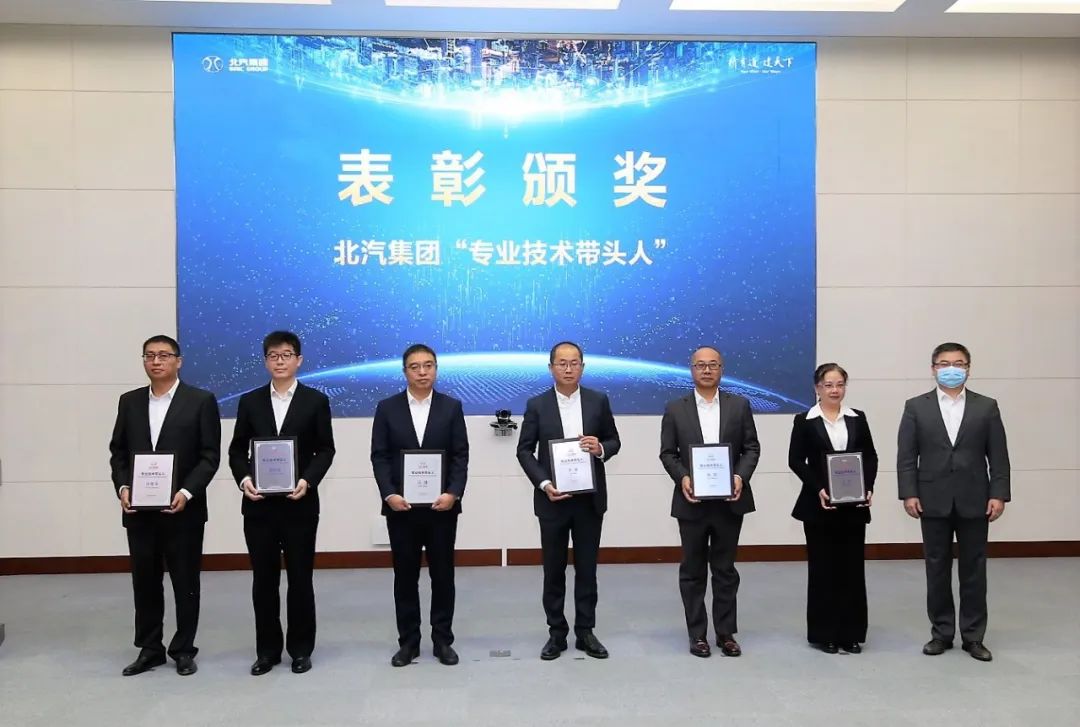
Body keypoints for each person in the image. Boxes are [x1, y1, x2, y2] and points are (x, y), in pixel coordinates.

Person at [108, 334, 220, 676]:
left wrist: (186, 492)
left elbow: (209, 456)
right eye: (149, 356)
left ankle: (183, 649)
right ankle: (150, 648)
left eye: (164, 355)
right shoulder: (129, 402)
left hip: (183, 510)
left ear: (178, 361)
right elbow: (118, 452)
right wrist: (123, 487)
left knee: (186, 583)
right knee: (145, 582)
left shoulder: (201, 401)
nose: (156, 361)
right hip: (139, 512)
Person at [228, 331, 336, 676]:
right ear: (265, 361)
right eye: (273, 355)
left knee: (300, 579)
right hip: (258, 506)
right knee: (264, 580)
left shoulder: (315, 401)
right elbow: (236, 451)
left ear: (298, 360)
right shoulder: (250, 401)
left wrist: (308, 480)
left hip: (299, 504)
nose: (280, 361)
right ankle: (267, 651)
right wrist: (244, 479)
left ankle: (301, 649)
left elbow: (326, 449)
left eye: (286, 355)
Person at [898, 342, 1010, 662]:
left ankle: (973, 636)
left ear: (968, 369)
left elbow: (998, 456)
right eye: (944, 363)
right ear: (933, 368)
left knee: (974, 569)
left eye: (958, 364)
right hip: (931, 499)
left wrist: (998, 493)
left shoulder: (986, 406)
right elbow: (907, 456)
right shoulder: (915, 407)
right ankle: (941, 633)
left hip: (976, 499)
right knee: (936, 568)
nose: (951, 369)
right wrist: (909, 492)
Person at [516, 341, 621, 661]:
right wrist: (544, 483)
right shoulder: (537, 405)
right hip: (553, 500)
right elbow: (524, 451)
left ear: (583, 367)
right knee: (554, 570)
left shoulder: (598, 400)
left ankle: (586, 631)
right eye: (562, 363)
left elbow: (614, 440)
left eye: (574, 363)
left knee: (587, 569)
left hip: (589, 501)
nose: (568, 368)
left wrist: (600, 448)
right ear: (551, 368)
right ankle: (556, 633)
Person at [370, 344, 469, 667]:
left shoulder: (451, 407)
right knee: (405, 577)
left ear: (436, 369)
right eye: (415, 367)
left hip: (442, 508)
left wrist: (453, 493)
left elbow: (460, 456)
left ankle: (443, 641)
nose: (422, 372)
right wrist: (389, 494)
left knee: (443, 576)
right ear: (405, 372)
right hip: (402, 509)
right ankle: (408, 643)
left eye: (428, 365)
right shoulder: (387, 408)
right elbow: (379, 456)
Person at [659, 346, 760, 658]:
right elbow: (668, 453)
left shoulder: (739, 405)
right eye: (700, 365)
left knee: (725, 569)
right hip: (692, 502)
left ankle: (726, 633)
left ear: (721, 369)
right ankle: (697, 634)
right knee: (692, 570)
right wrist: (683, 478)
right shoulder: (675, 408)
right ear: (691, 369)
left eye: (713, 365)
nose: (706, 370)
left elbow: (751, 448)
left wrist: (740, 477)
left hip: (730, 500)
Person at [788, 363, 878, 654]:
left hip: (853, 506)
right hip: (819, 506)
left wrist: (868, 487)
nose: (834, 390)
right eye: (828, 385)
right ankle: (824, 633)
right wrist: (819, 488)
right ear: (817, 388)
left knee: (852, 569)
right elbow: (795, 460)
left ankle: (850, 634)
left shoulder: (857, 418)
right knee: (823, 569)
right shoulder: (804, 420)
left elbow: (870, 456)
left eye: (839, 384)